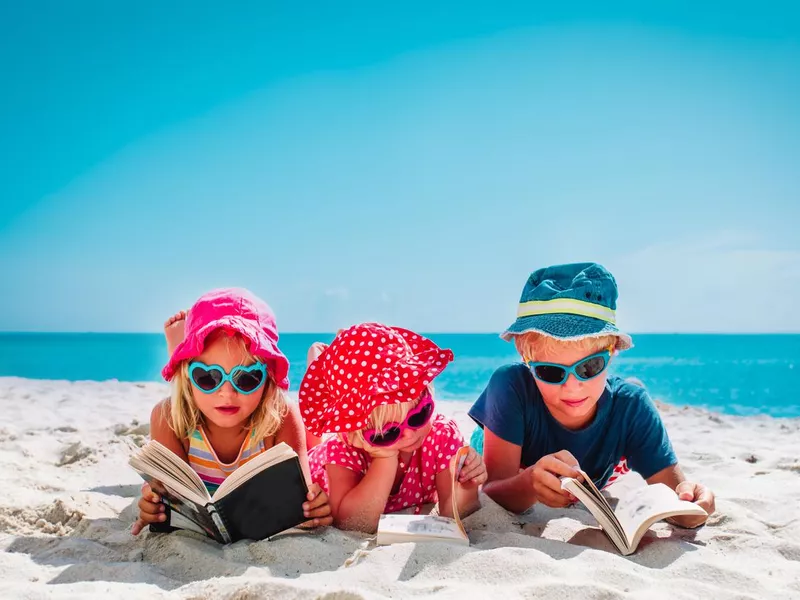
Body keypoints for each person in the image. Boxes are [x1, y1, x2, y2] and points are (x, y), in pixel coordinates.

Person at [468, 262, 715, 528]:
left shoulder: (632, 406)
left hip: (601, 465)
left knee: (629, 396)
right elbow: (492, 491)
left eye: (590, 367)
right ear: (526, 361)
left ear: (612, 352)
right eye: (550, 372)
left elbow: (678, 496)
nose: (572, 386)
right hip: (503, 447)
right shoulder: (510, 387)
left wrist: (694, 503)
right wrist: (529, 484)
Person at [131, 288, 332, 535]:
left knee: (317, 446)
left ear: (268, 377)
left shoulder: (281, 415)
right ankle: (182, 354)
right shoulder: (168, 418)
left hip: (275, 421)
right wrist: (154, 507)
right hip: (189, 403)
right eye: (207, 376)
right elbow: (169, 499)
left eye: (247, 377)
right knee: (186, 398)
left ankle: (319, 380)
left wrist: (313, 507)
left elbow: (302, 501)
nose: (227, 393)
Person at [298, 323, 487, 533]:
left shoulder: (440, 435)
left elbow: (455, 514)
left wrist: (467, 482)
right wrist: (384, 458)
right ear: (356, 433)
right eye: (387, 433)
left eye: (419, 415)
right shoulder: (343, 449)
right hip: (318, 470)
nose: (409, 433)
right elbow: (351, 524)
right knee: (308, 449)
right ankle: (318, 365)